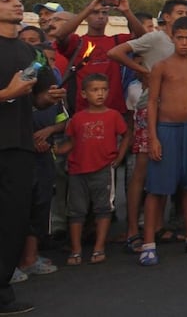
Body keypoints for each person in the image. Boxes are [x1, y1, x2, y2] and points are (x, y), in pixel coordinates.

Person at [105, 0, 187, 251]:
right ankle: (133, 229)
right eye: (178, 12)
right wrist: (143, 71)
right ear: (165, 17)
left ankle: (155, 227)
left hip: (173, 112)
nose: (183, 15)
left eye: (186, 12)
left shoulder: (182, 43)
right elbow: (115, 52)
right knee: (141, 171)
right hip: (149, 110)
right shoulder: (155, 38)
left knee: (164, 170)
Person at [0, 0, 65, 316]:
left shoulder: (29, 53)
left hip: (20, 146)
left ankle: (3, 292)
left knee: (13, 220)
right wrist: (6, 92)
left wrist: (48, 97)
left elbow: (35, 95)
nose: (16, 4)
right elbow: (12, 91)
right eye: (7, 0)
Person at [141, 17, 187, 265]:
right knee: (157, 189)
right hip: (167, 128)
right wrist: (153, 136)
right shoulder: (161, 66)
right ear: (172, 37)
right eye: (179, 38)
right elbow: (152, 102)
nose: (183, 42)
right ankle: (148, 243)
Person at [55, 74, 131, 266]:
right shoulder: (77, 119)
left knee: (103, 209)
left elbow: (126, 135)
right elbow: (70, 143)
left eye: (104, 90)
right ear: (83, 93)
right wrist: (54, 150)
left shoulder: (113, 115)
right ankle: (76, 249)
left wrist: (120, 156)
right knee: (76, 211)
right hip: (77, 171)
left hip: (103, 170)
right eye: (95, 90)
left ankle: (99, 247)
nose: (100, 94)